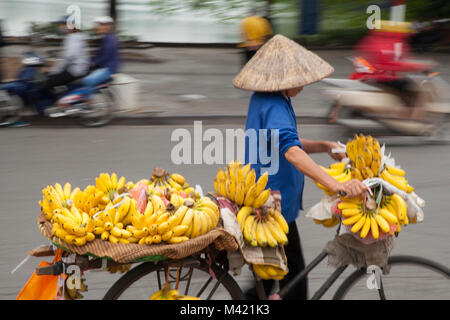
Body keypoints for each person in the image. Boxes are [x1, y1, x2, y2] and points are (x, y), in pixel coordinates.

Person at [232, 34, 368, 300]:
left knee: (272, 279)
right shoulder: (274, 106)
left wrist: (324, 145)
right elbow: (291, 152)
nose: (304, 85)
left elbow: (286, 142)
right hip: (272, 205)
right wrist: (337, 185)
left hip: (274, 203)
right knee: (292, 280)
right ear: (286, 80)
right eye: (300, 81)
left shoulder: (268, 98)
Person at [40, 15, 89, 98]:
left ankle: (59, 104)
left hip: (75, 70)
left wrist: (55, 70)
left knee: (46, 85)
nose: (61, 26)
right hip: (74, 68)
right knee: (48, 76)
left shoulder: (74, 38)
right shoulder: (74, 37)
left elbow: (68, 58)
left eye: (63, 24)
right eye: (61, 24)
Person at [82, 16, 119, 98]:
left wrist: (92, 63)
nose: (97, 27)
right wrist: (88, 60)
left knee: (87, 81)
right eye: (98, 25)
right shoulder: (107, 38)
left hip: (108, 69)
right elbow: (100, 55)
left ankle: (88, 103)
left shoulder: (110, 39)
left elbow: (105, 56)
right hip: (105, 67)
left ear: (107, 27)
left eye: (100, 25)